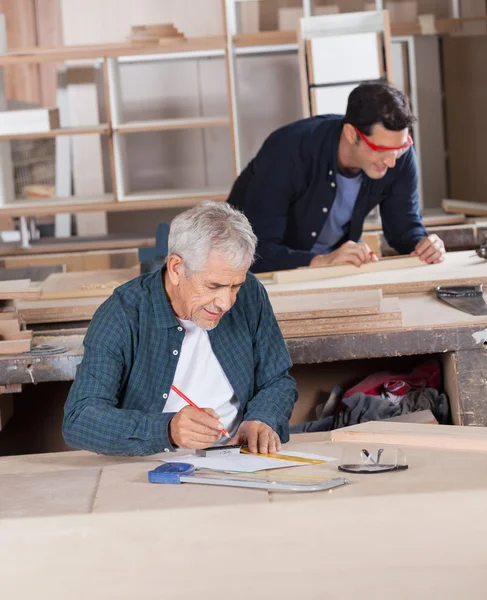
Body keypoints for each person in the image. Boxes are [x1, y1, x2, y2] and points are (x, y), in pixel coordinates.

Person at [63, 201, 298, 456]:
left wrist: (262, 418)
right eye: (213, 286)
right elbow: (80, 418)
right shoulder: (122, 314)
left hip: (240, 458)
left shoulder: (251, 294)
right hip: (155, 466)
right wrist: (167, 430)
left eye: (234, 286)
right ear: (176, 268)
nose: (227, 302)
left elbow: (278, 381)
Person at [227, 80, 445, 273]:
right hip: (271, 273)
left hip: (334, 270)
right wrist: (321, 261)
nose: (391, 162)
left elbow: (404, 227)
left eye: (401, 148)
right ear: (351, 134)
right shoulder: (288, 150)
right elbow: (256, 252)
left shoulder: (397, 154)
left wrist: (423, 245)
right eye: (380, 150)